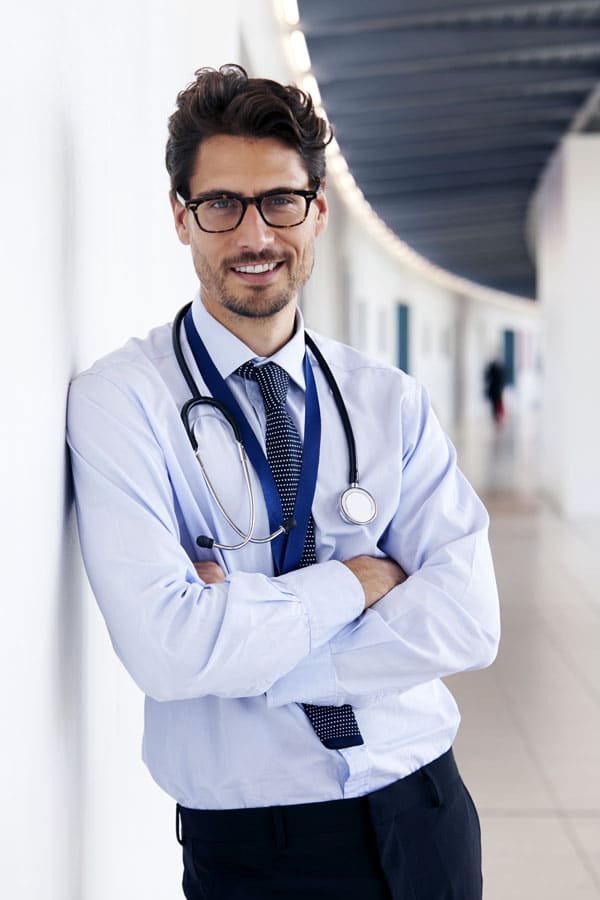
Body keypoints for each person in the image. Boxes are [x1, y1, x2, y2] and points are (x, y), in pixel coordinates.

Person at [67, 64, 500, 900]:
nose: (254, 234)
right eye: (221, 204)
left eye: (280, 202)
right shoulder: (124, 403)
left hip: (427, 811)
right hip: (257, 851)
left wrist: (252, 653)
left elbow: (468, 621)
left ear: (318, 211)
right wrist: (358, 580)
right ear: (181, 218)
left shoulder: (387, 399)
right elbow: (169, 651)